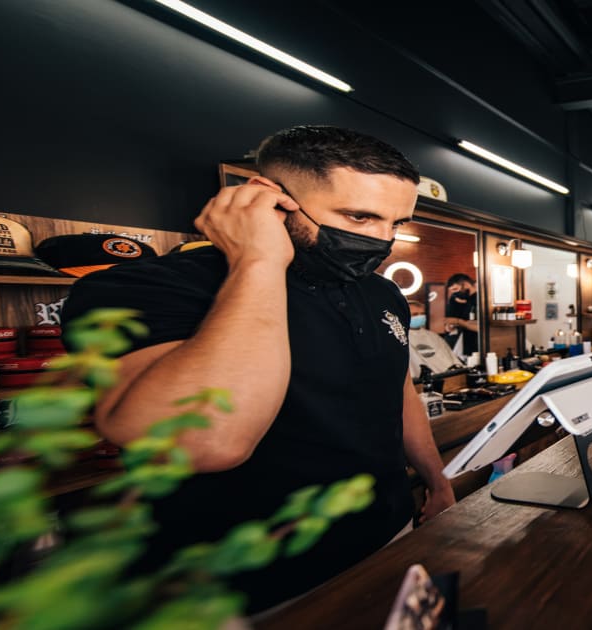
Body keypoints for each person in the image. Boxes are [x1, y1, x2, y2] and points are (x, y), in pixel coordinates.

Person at [61, 125, 455, 613]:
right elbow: (208, 443)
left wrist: (437, 482)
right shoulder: (143, 288)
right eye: (360, 217)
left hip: (384, 536)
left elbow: (396, 392)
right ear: (269, 197)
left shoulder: (380, 292)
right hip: (239, 581)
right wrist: (258, 261)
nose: (383, 240)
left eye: (396, 223)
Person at [408, 300, 464, 378]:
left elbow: (450, 360)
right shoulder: (401, 339)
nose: (420, 317)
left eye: (422, 314)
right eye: (415, 314)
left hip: (446, 378)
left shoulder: (433, 336)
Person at [443, 272, 478, 356]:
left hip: (478, 344)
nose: (455, 293)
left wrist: (458, 321)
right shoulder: (457, 300)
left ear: (465, 284)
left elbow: (482, 327)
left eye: (455, 289)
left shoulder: (480, 300)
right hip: (463, 343)